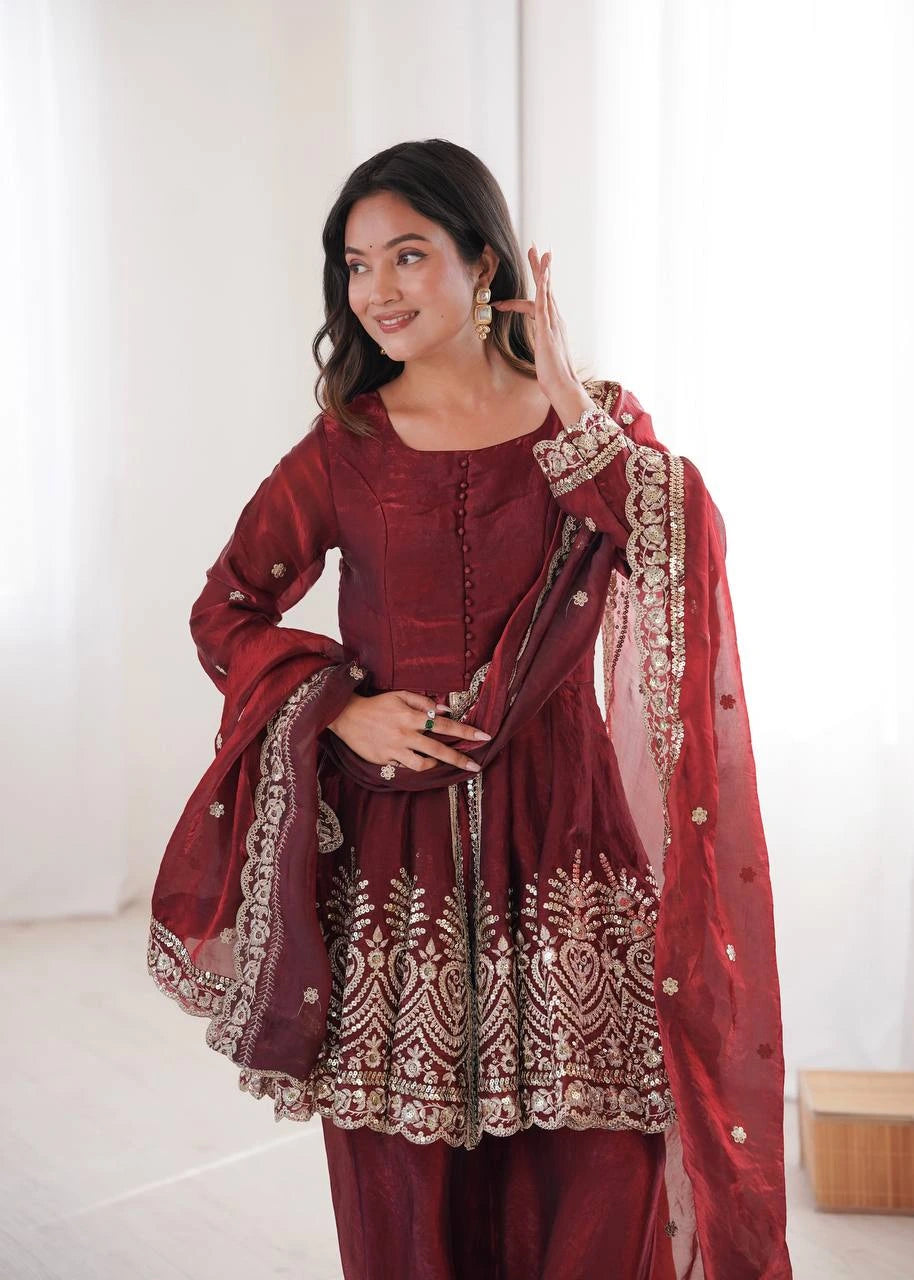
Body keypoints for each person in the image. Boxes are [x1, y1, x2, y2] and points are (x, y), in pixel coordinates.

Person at [147, 139, 793, 1279]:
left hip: (566, 841)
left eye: (407, 255)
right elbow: (226, 607)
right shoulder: (345, 444)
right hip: (399, 872)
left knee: (596, 1163)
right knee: (405, 1191)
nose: (377, 290)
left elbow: (680, 548)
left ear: (482, 260)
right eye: (355, 265)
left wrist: (564, 393)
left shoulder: (584, 418)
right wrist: (339, 705)